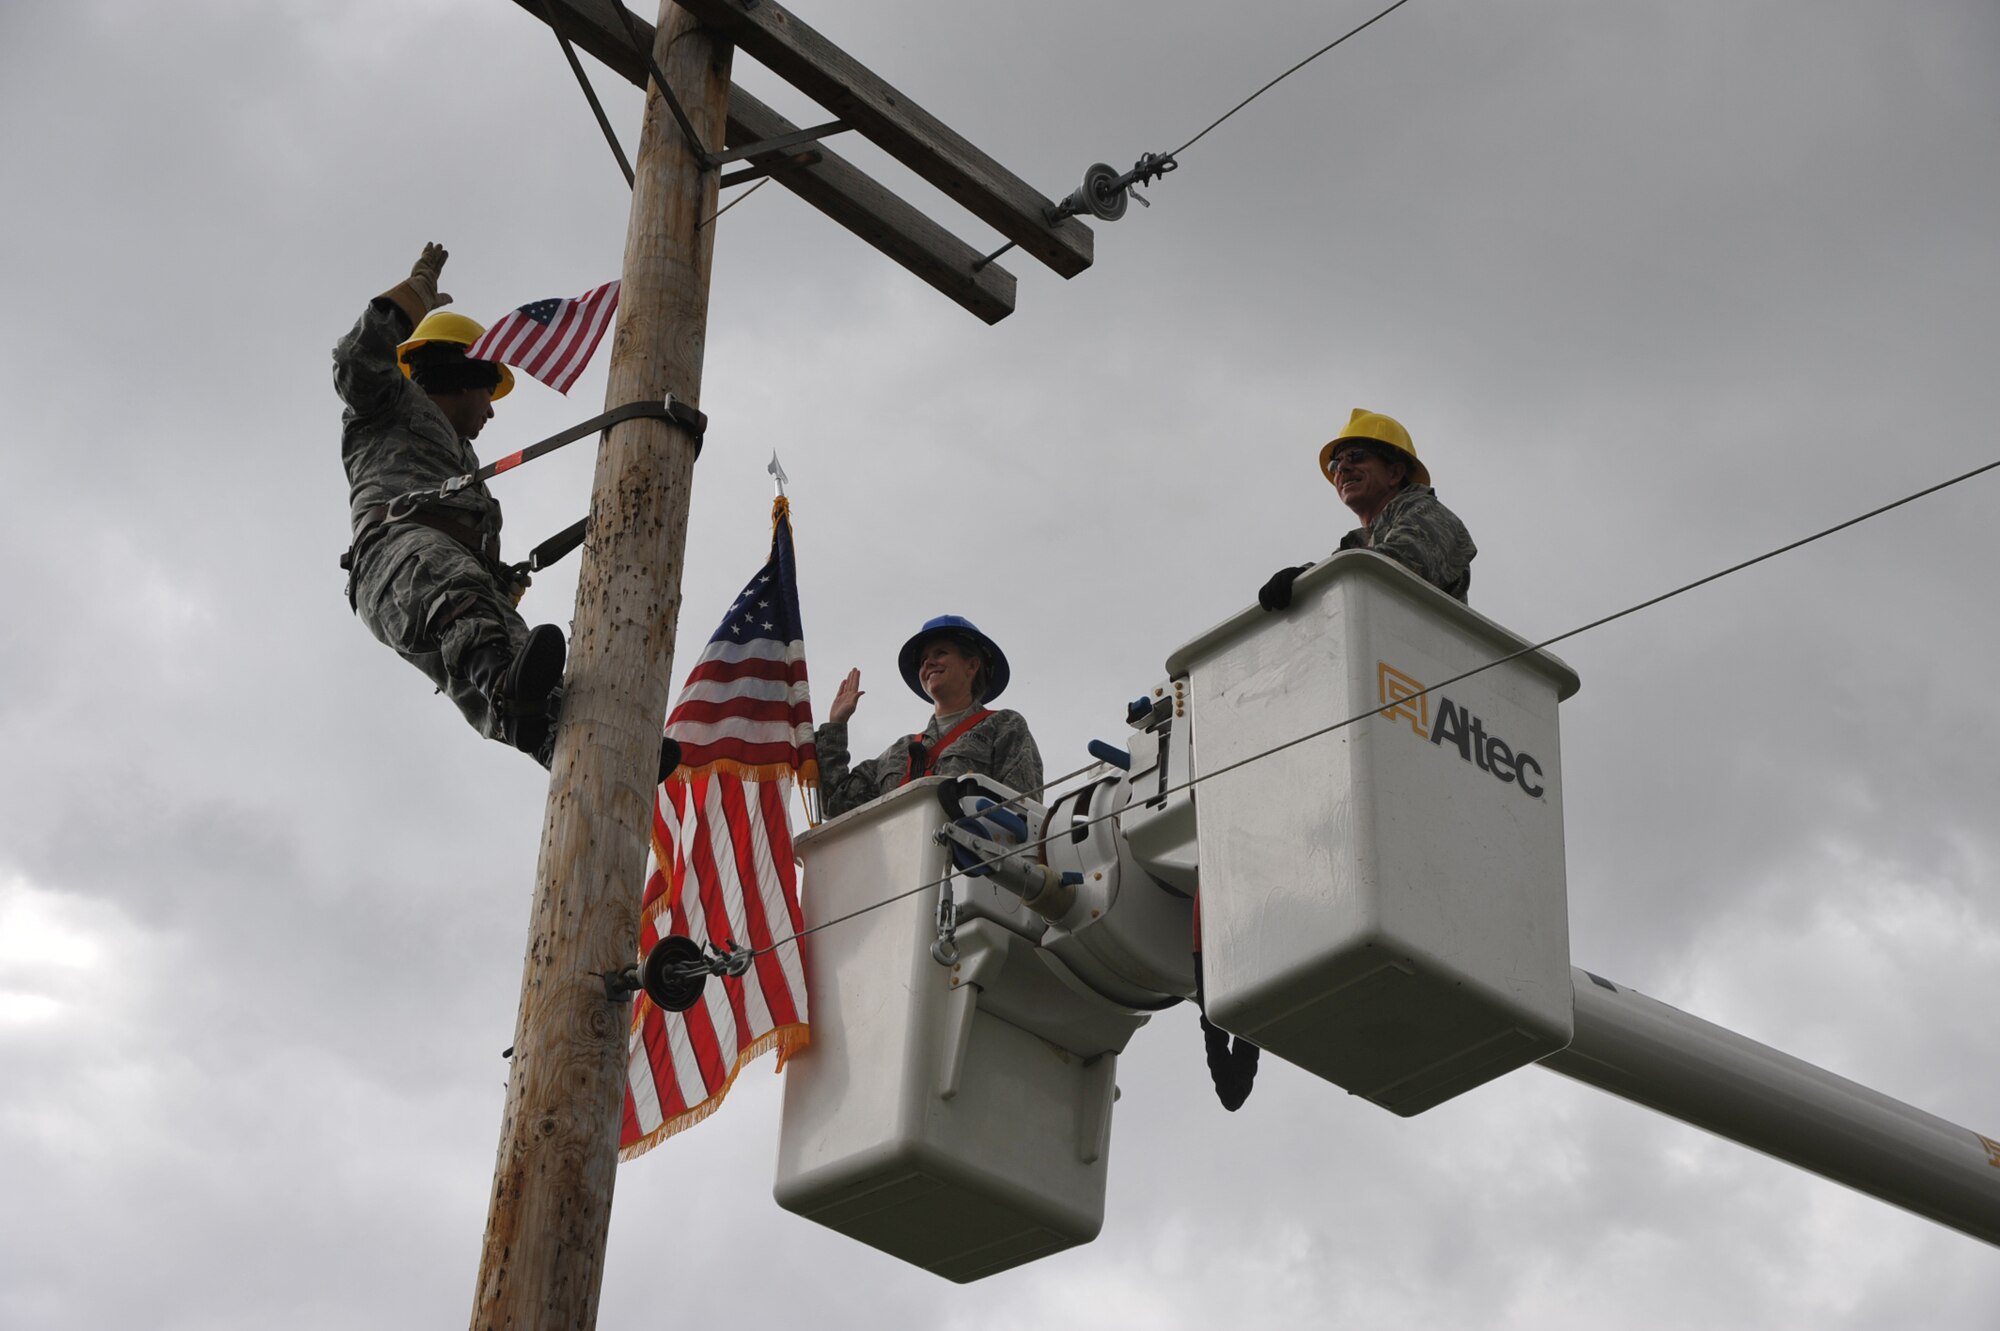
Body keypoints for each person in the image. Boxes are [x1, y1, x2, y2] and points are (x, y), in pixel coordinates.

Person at [334, 243, 566, 764]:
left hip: (445, 580)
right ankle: (509, 689)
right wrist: (410, 299)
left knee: (519, 660)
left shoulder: (466, 468)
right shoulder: (387, 404)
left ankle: (568, 737)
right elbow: (357, 361)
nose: (491, 410)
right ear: (463, 376)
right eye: (489, 392)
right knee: (460, 602)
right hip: (399, 559)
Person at [815, 615, 1044, 819]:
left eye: (940, 653)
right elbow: (834, 805)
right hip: (902, 863)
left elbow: (1023, 813)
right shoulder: (899, 752)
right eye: (924, 659)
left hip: (968, 864)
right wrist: (836, 725)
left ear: (972, 665)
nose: (928, 663)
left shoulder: (1004, 726)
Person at [1257, 408, 1477, 611]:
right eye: (1335, 464)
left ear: (1395, 473)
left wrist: (1309, 577)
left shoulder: (1431, 514)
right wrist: (1302, 582)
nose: (1342, 467)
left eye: (1356, 456)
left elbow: (1396, 566)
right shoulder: (1358, 545)